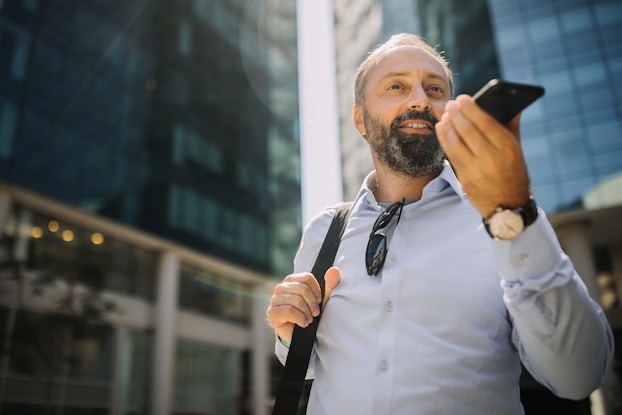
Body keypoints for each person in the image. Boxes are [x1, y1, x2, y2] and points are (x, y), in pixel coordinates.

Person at [266, 33, 614, 414]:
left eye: (434, 89)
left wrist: (515, 213)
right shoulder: (324, 231)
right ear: (360, 119)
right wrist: (290, 334)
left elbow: (579, 376)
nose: (419, 100)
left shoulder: (507, 220)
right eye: (396, 86)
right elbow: (316, 362)